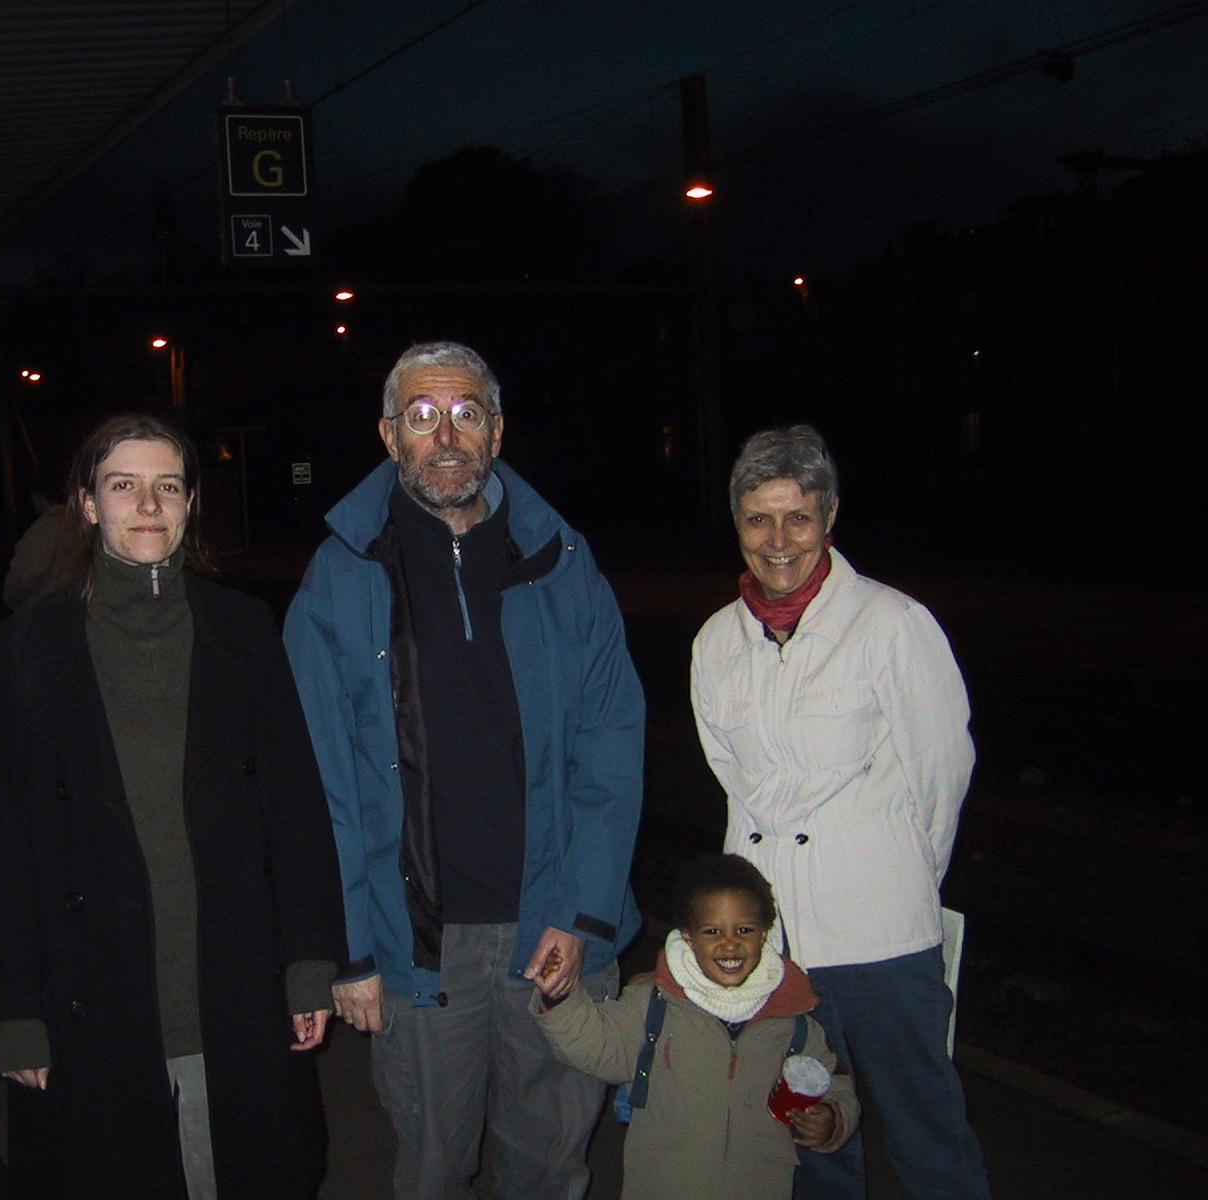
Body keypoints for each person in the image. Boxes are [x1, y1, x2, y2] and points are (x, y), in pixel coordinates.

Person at [284, 341, 645, 1200]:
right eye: (421, 416)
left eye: (465, 414)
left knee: (549, 1168)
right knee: (434, 1171)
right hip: (418, 952)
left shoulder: (564, 562)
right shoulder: (339, 577)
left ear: (497, 431)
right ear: (388, 435)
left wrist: (582, 915)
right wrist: (351, 951)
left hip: (552, 933)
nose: (445, 436)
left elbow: (611, 747)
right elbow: (319, 785)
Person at [0, 411, 346, 1200]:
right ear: (86, 503)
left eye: (167, 486)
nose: (148, 505)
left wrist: (309, 964)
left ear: (190, 504)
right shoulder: (23, 651)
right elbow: (4, 847)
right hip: (92, 990)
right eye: (123, 485)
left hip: (229, 983)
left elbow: (294, 812)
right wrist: (11, 1013)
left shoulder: (243, 630)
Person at [689, 424, 991, 1200]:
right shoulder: (716, 642)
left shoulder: (892, 624)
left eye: (797, 517)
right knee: (809, 1141)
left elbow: (942, 773)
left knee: (927, 1135)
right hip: (780, 949)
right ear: (737, 524)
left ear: (828, 518)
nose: (777, 540)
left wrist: (900, 876)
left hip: (882, 938)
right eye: (758, 518)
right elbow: (735, 791)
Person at [532, 853, 858, 1200]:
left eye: (744, 930)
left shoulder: (792, 1020)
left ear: (764, 935)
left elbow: (835, 1082)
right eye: (712, 931)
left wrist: (831, 1119)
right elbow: (598, 1046)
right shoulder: (655, 1004)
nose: (729, 943)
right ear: (688, 938)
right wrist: (559, 995)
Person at [2, 487, 81, 610]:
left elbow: (24, 577)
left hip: (46, 610)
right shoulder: (79, 524)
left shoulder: (46, 527)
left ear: (37, 496)